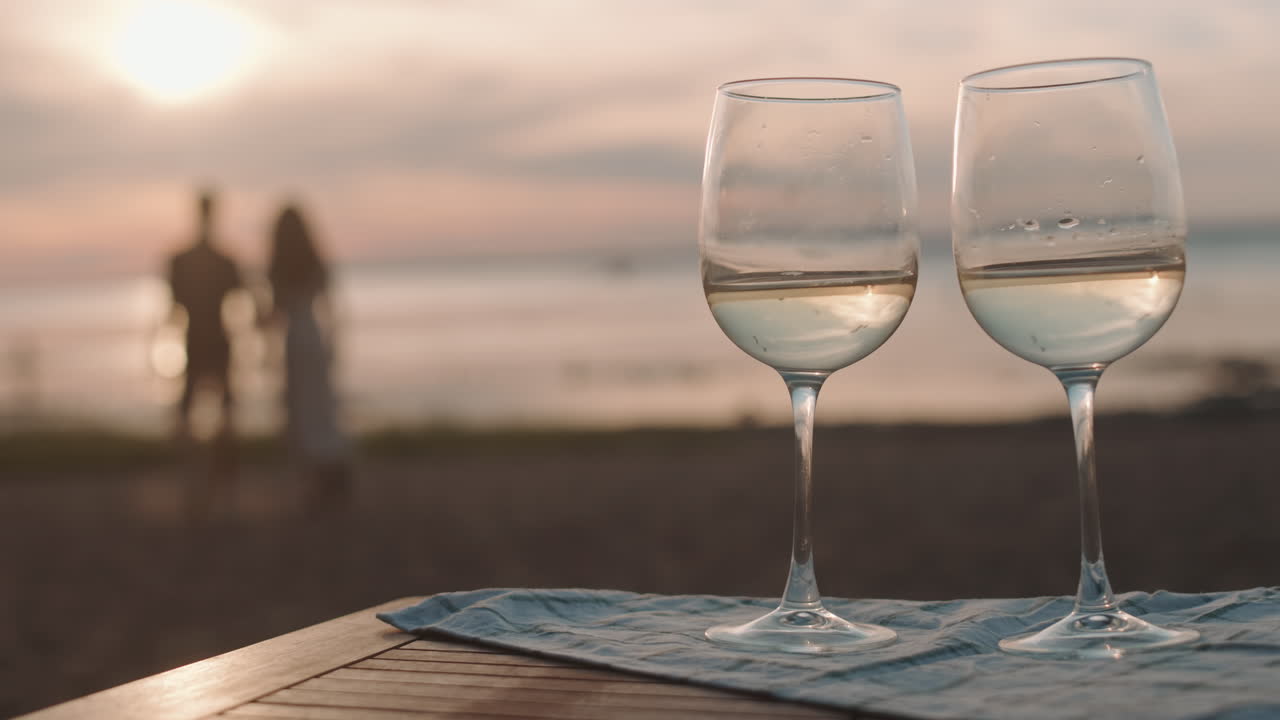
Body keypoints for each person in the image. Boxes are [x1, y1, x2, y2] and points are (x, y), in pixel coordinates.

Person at [265, 203, 351, 503]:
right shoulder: (314, 261)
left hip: (294, 341)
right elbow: (331, 307)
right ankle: (330, 472)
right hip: (312, 336)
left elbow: (274, 314)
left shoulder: (279, 265)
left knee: (300, 411)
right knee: (321, 410)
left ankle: (313, 483)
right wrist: (333, 344)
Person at [167, 188, 243, 446]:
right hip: (212, 337)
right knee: (219, 405)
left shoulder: (182, 260)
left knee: (205, 405)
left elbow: (173, 306)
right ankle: (211, 464)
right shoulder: (223, 261)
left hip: (199, 337)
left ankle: (201, 465)